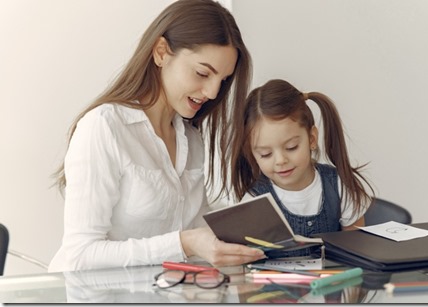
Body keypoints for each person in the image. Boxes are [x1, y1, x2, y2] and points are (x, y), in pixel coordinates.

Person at [48, 0, 265, 273]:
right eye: (202, 73)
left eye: (222, 81)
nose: (211, 92)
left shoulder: (190, 138)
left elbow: (198, 234)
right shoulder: (104, 127)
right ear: (161, 52)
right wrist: (184, 243)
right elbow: (81, 255)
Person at [231, 79, 375, 257]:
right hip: (274, 284)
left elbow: (358, 253)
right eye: (265, 154)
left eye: (291, 147)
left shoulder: (339, 185)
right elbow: (242, 265)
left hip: (334, 282)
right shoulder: (253, 203)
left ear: (312, 139)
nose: (280, 160)